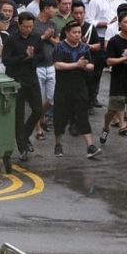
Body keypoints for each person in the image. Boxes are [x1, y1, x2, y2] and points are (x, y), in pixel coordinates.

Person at [52, 20, 101, 159]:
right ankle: (58, 144)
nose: (77, 35)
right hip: (63, 88)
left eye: (79, 32)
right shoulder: (60, 47)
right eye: (74, 32)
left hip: (80, 87)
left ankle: (90, 147)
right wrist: (77, 65)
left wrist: (85, 66)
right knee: (60, 118)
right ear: (67, 33)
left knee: (83, 116)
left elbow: (91, 65)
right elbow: (58, 65)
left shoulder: (84, 48)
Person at [2, 12, 44, 161]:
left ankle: (24, 136)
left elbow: (42, 56)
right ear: (19, 25)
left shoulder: (36, 37)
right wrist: (24, 57)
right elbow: (6, 60)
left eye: (31, 27)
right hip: (16, 79)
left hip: (31, 78)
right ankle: (22, 147)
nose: (28, 29)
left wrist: (32, 57)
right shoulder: (11, 39)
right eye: (25, 26)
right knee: (18, 115)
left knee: (38, 110)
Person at [101, 13, 127, 148]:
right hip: (118, 80)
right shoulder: (114, 41)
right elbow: (109, 61)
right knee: (113, 110)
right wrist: (125, 58)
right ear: (120, 24)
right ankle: (106, 126)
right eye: (126, 22)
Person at [85, 0, 124, 108]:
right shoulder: (96, 0)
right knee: (97, 70)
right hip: (101, 38)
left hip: (117, 37)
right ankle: (91, 99)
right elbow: (89, 21)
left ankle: (116, 101)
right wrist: (106, 24)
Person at [34, 0, 59, 140]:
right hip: (37, 66)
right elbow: (33, 43)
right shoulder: (34, 24)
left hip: (51, 65)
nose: (55, 11)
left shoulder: (53, 24)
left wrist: (49, 38)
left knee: (51, 99)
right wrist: (44, 36)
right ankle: (38, 129)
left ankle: (40, 115)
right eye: (53, 8)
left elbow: (58, 42)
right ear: (46, 8)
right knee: (38, 98)